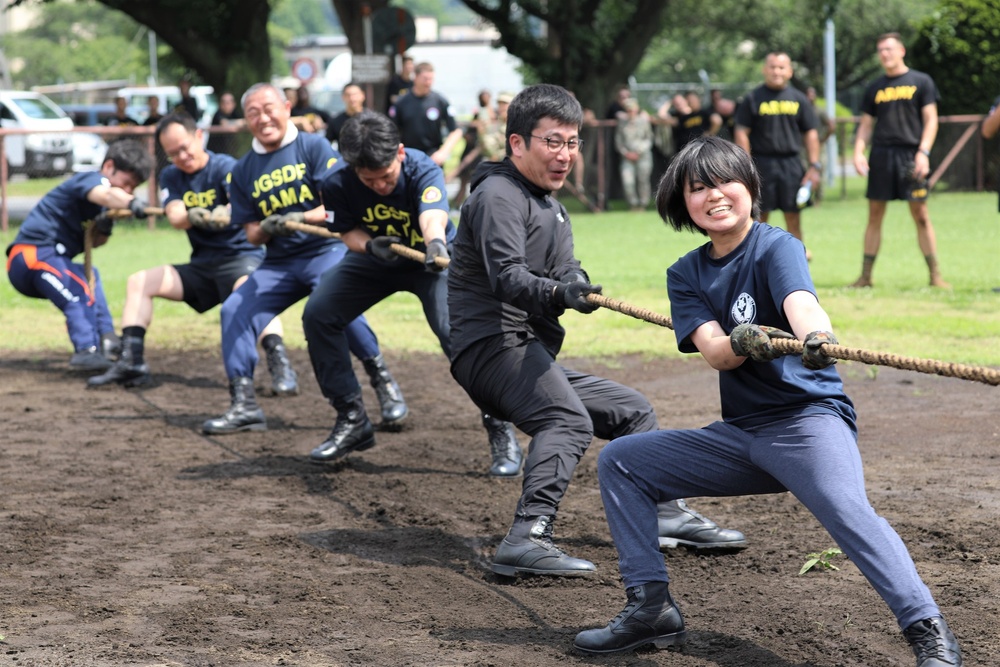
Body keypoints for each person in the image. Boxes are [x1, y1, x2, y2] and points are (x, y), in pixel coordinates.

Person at [574, 136, 964, 667]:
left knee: (846, 510)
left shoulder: (775, 245)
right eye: (698, 188)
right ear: (681, 203)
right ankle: (651, 608)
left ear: (750, 187)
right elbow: (714, 350)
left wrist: (818, 337)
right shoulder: (685, 273)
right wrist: (738, 341)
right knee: (623, 461)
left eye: (724, 182)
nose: (714, 195)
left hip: (808, 422)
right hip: (743, 435)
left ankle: (930, 633)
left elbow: (800, 302)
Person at [448, 85, 747, 578]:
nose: (565, 155)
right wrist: (558, 294)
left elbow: (566, 266)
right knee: (566, 421)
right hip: (491, 347)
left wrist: (577, 285)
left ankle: (663, 514)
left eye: (572, 142)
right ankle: (528, 536)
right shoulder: (498, 195)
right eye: (553, 142)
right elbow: (507, 278)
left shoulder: (551, 204)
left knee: (633, 411)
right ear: (517, 143)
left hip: (523, 349)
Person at [301, 109, 523, 475]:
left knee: (458, 336)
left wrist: (435, 244)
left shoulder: (423, 167)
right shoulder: (336, 182)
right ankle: (351, 418)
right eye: (369, 181)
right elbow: (346, 232)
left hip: (431, 260)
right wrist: (370, 247)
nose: (380, 187)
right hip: (376, 258)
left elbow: (432, 213)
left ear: (400, 153)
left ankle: (500, 427)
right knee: (318, 313)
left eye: (386, 177)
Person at [201, 83, 406, 436]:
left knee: (335, 298)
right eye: (253, 112)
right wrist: (267, 228)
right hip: (278, 263)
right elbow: (250, 232)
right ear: (245, 119)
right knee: (234, 308)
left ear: (286, 106)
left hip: (325, 252)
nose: (263, 118)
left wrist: (301, 217)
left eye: (268, 108)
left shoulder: (312, 147)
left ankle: (382, 382)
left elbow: (339, 203)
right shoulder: (244, 169)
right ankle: (244, 404)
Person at [87, 114, 297, 393]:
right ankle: (131, 362)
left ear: (199, 137)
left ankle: (280, 365)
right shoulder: (171, 176)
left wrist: (225, 213)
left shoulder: (226, 167)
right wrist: (193, 216)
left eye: (185, 147)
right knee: (139, 281)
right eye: (173, 153)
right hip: (202, 266)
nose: (182, 156)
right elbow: (175, 215)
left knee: (250, 290)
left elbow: (239, 208)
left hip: (240, 259)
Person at [6, 139, 152, 371]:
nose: (127, 191)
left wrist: (105, 224)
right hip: (31, 256)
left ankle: (107, 339)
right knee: (77, 289)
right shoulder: (92, 180)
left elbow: (96, 242)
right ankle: (86, 350)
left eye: (133, 188)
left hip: (52, 259)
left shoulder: (107, 204)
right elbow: (105, 195)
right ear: (109, 167)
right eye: (125, 184)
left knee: (90, 277)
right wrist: (132, 202)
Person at [851, 32, 948, 289]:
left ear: (902, 50)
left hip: (911, 155)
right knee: (874, 215)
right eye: (881, 50)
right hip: (882, 155)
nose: (885, 54)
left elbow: (931, 120)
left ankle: (935, 276)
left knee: (921, 215)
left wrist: (923, 152)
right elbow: (866, 125)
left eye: (889, 49)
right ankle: (865, 277)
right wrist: (859, 150)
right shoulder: (875, 86)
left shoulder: (921, 81)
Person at [734, 51, 821, 257]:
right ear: (765, 70)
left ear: (789, 71)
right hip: (761, 164)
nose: (776, 71)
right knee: (758, 216)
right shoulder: (753, 99)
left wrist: (814, 166)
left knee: (793, 215)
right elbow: (741, 131)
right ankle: (755, 260)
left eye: (781, 67)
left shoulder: (799, 99)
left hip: (791, 164)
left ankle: (797, 259)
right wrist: (746, 165)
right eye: (772, 67)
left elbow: (811, 133)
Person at [388, 62, 463, 167]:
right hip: (408, 158)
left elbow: (455, 131)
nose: (428, 82)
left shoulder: (440, 101)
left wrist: (443, 152)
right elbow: (391, 132)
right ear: (416, 77)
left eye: (431, 79)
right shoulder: (401, 102)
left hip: (433, 159)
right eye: (425, 79)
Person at [448, 89, 496, 208]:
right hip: (471, 150)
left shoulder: (492, 113)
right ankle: (457, 204)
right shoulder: (479, 114)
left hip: (481, 151)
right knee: (464, 180)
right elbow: (470, 130)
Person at [614, 97, 654, 211]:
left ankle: (643, 204)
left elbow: (649, 139)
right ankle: (633, 204)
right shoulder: (622, 123)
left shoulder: (644, 121)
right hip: (627, 157)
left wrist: (639, 151)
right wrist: (626, 153)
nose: (630, 111)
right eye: (628, 109)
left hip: (643, 156)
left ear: (636, 109)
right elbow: (618, 141)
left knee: (643, 180)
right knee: (627, 181)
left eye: (632, 109)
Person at [326, 82, 366, 147]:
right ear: (343, 97)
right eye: (348, 95)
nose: (352, 98)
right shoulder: (336, 121)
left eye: (355, 94)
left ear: (362, 95)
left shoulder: (373, 119)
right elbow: (326, 144)